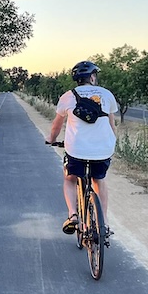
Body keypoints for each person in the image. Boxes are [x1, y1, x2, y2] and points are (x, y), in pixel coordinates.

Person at [45, 60, 119, 235]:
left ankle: (73, 215)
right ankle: (105, 222)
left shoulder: (68, 96)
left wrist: (51, 139)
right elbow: (111, 124)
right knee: (99, 180)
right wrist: (111, 142)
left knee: (70, 178)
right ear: (92, 77)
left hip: (77, 150)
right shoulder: (106, 94)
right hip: (103, 150)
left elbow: (56, 126)